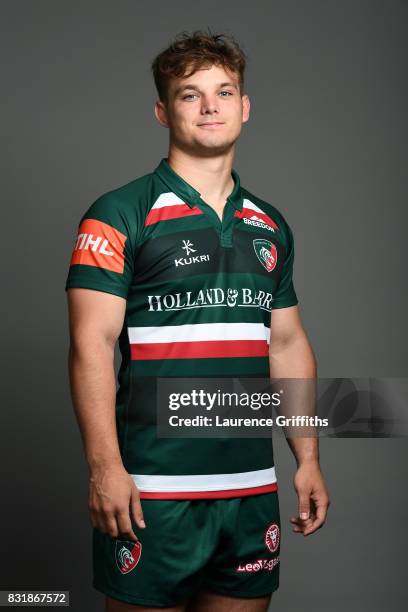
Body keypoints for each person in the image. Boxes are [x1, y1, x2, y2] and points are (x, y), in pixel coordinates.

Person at [65, 29, 330, 612]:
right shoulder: (119, 213)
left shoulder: (270, 224)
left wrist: (307, 457)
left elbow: (286, 343)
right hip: (153, 494)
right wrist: (105, 467)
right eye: (190, 94)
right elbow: (92, 343)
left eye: (224, 91)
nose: (210, 106)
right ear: (163, 110)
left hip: (249, 491)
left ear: (244, 106)